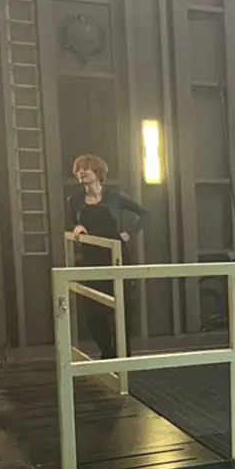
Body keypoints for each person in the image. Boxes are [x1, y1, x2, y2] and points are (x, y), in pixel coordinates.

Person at [67, 154, 150, 359]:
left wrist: (129, 233)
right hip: (91, 259)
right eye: (78, 169)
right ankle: (107, 351)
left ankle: (124, 354)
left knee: (123, 308)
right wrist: (77, 227)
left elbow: (144, 214)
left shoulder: (115, 197)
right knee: (92, 313)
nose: (80, 172)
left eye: (85, 168)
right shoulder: (75, 200)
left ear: (97, 172)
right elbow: (74, 224)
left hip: (117, 257)